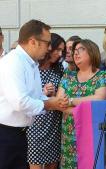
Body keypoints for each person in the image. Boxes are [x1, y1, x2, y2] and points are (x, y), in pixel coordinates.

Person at [0, 19, 68, 169]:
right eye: (46, 43)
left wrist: (55, 101)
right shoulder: (13, 62)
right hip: (6, 134)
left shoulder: (30, 63)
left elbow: (36, 96)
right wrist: (49, 103)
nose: (49, 48)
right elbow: (20, 102)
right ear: (32, 41)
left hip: (19, 134)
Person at [57, 39, 106, 169]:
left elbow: (99, 99)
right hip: (70, 136)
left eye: (81, 50)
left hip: (92, 133)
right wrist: (83, 109)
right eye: (74, 51)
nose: (76, 53)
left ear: (92, 52)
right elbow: (59, 102)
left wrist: (71, 101)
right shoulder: (67, 77)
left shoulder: (102, 76)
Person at [26, 33, 65, 169]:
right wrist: (42, 92)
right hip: (35, 125)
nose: (60, 54)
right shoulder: (33, 67)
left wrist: (55, 93)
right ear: (50, 48)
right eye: (58, 50)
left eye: (62, 51)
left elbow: (62, 90)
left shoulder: (59, 69)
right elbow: (24, 96)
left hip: (53, 124)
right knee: (35, 163)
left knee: (52, 164)